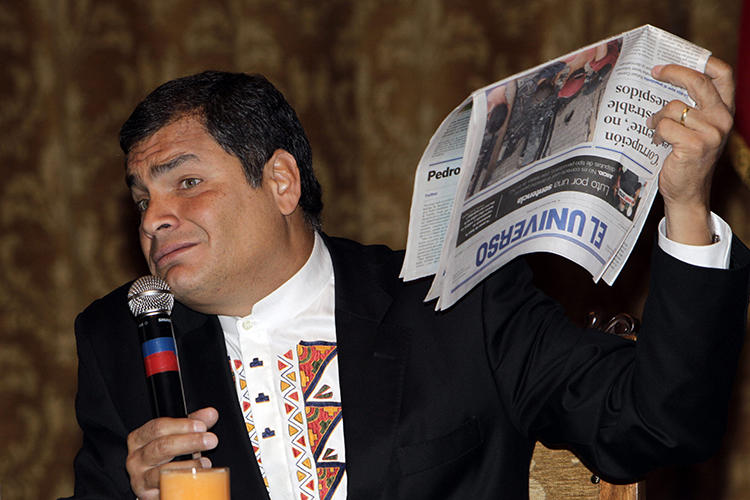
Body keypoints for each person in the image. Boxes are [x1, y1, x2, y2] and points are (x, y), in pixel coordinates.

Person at [63, 57, 749, 500]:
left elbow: (658, 426)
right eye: (141, 197)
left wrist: (687, 209)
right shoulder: (119, 342)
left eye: (186, 182)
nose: (155, 217)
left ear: (279, 181)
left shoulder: (454, 306)